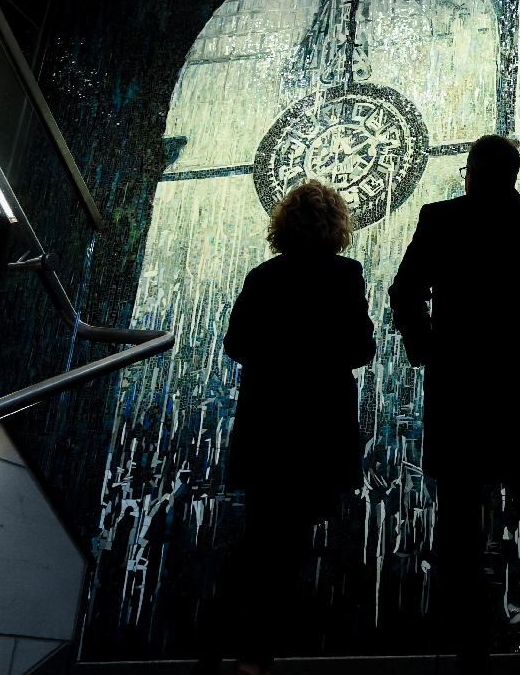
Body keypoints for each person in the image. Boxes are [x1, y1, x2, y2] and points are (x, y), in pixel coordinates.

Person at [388, 135, 520, 675]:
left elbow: (404, 292)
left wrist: (428, 350)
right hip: (519, 397)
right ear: (514, 175)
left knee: (459, 534)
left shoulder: (439, 221)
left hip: (457, 397)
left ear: (470, 173)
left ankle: (470, 661)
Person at [194, 180, 376, 675]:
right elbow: (361, 349)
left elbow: (235, 344)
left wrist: (276, 360)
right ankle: (251, 656)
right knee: (284, 544)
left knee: (263, 537)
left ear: (284, 225)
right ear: (336, 226)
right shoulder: (346, 274)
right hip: (318, 428)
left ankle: (220, 647)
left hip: (267, 425)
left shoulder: (263, 278)